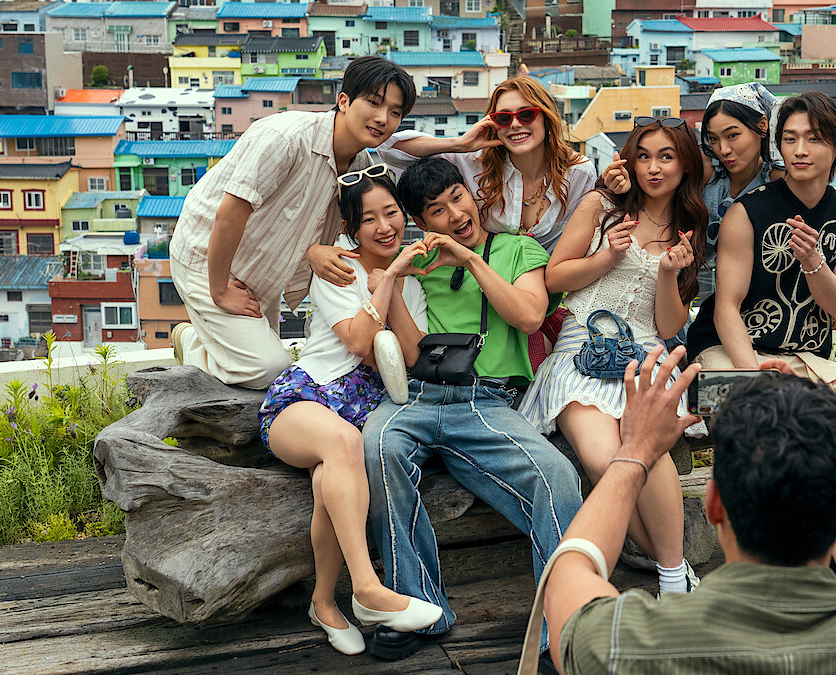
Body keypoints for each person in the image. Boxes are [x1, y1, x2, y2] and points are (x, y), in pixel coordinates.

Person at [542, 347, 836, 674]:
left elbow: (569, 570)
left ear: (714, 504)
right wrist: (810, 413)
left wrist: (636, 451)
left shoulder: (622, 646)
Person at [684, 91, 836, 604]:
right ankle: (754, 567)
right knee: (755, 420)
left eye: (813, 138)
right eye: (789, 138)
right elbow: (725, 306)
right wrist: (754, 374)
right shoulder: (750, 212)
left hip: (806, 357)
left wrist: (814, 260)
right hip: (725, 352)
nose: (799, 149)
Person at [361, 157, 583, 662]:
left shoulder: (517, 249)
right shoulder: (414, 260)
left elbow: (528, 316)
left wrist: (471, 260)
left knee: (556, 476)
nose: (453, 214)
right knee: (378, 447)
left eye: (457, 198)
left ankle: (564, 632)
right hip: (417, 395)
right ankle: (416, 607)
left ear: (473, 194)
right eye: (436, 211)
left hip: (486, 400)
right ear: (422, 222)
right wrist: (382, 273)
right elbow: (409, 349)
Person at [517, 117, 708, 596]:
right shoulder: (602, 206)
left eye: (666, 156)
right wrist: (607, 258)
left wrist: (667, 273)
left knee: (648, 444)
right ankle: (677, 566)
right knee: (606, 462)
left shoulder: (690, 227)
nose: (653, 167)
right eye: (643, 156)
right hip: (582, 348)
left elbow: (667, 327)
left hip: (644, 353)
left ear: (684, 163)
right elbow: (555, 279)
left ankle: (670, 578)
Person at [256, 168, 444, 655]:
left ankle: (323, 602)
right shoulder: (336, 268)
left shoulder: (412, 283)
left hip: (357, 411)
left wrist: (397, 282)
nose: (384, 227)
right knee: (344, 444)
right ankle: (366, 588)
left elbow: (408, 356)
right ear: (351, 229)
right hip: (304, 399)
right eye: (369, 220)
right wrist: (385, 282)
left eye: (392, 214)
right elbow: (361, 342)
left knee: (329, 481)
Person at [169, 56, 415, 389]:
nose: (382, 118)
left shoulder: (360, 164)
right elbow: (229, 214)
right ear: (343, 100)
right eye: (373, 102)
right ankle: (195, 347)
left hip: (260, 271)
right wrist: (219, 291)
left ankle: (199, 341)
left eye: (395, 112)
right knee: (269, 367)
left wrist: (315, 252)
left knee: (261, 365)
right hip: (206, 259)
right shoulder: (286, 138)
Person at [601, 82, 836, 262]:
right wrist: (617, 182)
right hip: (677, 280)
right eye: (713, 138)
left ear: (762, 125)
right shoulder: (705, 171)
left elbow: (821, 205)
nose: (723, 149)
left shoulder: (774, 180)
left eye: (732, 135)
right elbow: (652, 178)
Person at [376, 76, 597, 252]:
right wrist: (460, 143)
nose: (516, 124)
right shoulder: (474, 162)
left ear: (546, 118)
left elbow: (584, 240)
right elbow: (389, 149)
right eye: (504, 118)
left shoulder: (579, 173)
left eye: (527, 114)